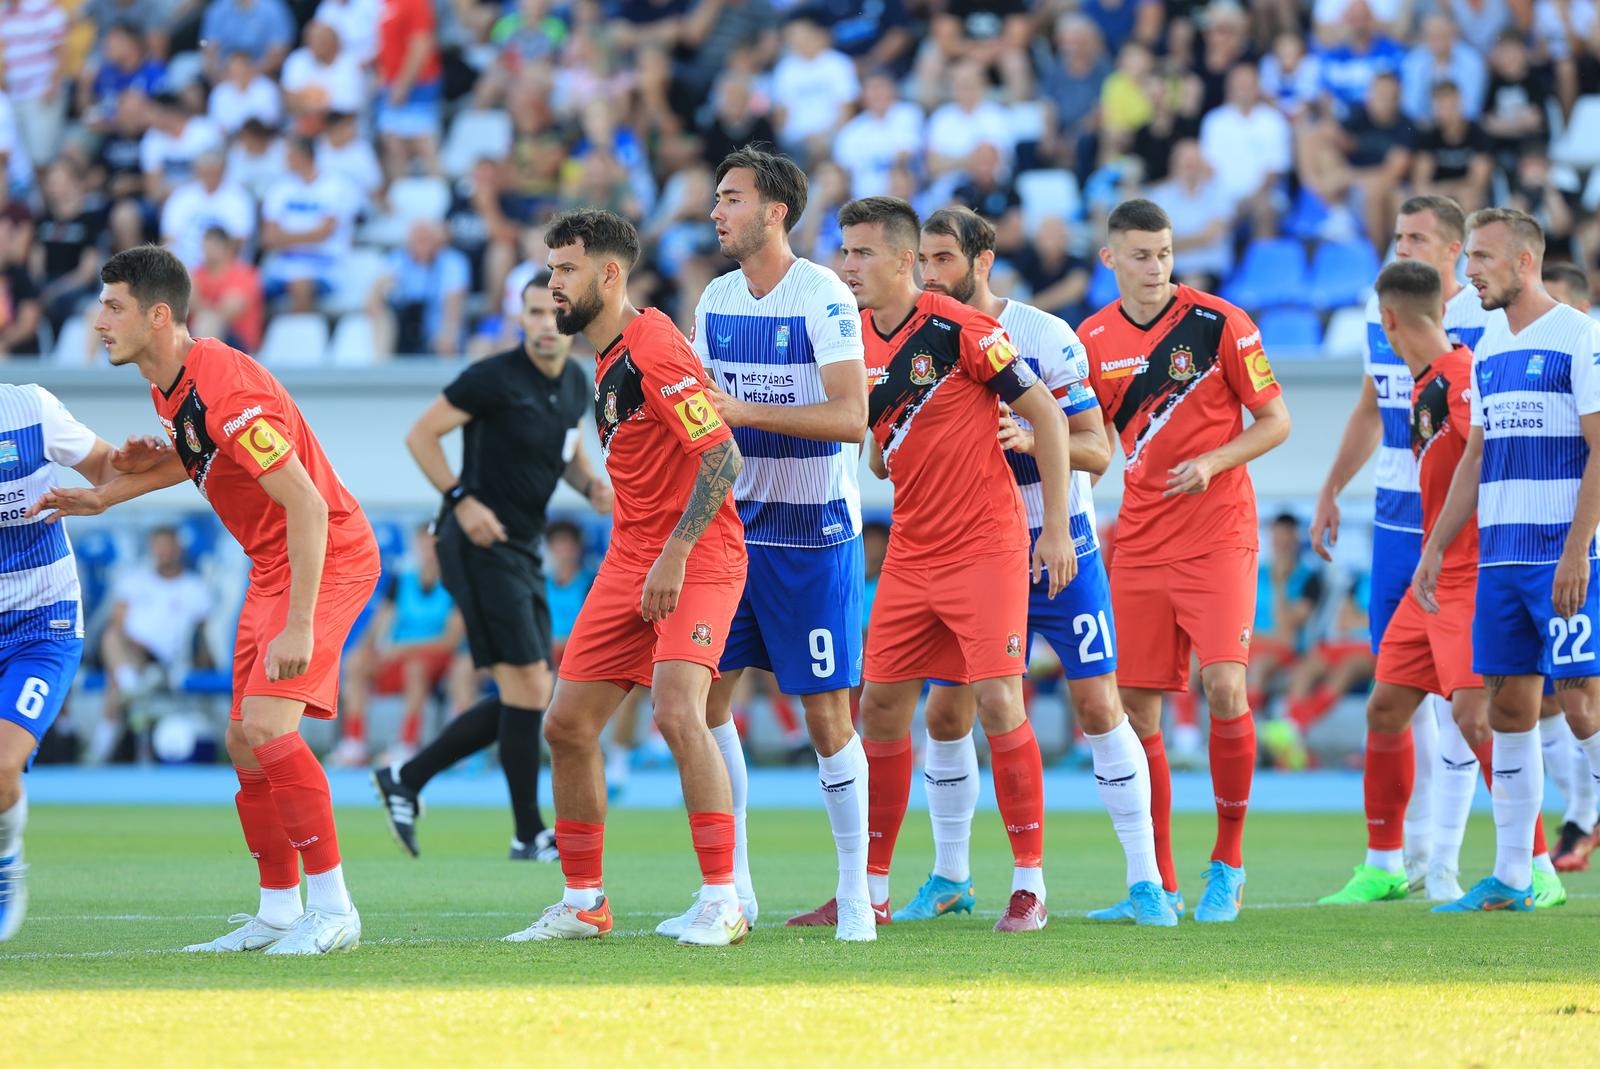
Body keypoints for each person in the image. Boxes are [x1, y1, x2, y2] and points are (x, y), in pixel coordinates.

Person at [32, 244, 382, 954]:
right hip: (269, 564)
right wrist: (103, 495)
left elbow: (310, 507)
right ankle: (280, 910)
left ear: (158, 316)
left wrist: (301, 624)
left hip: (325, 554)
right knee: (242, 741)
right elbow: (193, 453)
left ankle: (336, 908)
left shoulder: (225, 384)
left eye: (113, 306)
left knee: (270, 730)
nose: (99, 321)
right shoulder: (172, 384)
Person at [890, 205, 1171, 927]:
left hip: (1058, 544)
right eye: (923, 259)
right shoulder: (920, 335)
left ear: (984, 262)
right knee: (947, 710)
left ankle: (1145, 879)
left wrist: (1027, 439)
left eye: (944, 259)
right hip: (972, 554)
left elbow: (1097, 449)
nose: (931, 273)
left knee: (1099, 705)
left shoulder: (1044, 336)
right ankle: (952, 873)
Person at [502, 209, 749, 946]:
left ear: (610, 275)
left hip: (696, 553)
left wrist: (674, 552)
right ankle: (584, 902)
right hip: (630, 556)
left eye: (565, 270)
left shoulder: (652, 345)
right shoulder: (604, 358)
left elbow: (723, 457)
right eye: (549, 271)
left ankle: (722, 899)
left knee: (680, 713)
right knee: (566, 724)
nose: (551, 287)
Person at [838, 195, 1075, 933]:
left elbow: (1050, 417)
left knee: (1001, 703)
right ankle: (869, 886)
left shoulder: (962, 329)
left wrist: (1057, 528)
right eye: (844, 253)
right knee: (878, 707)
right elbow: (880, 455)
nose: (848, 267)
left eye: (861, 253)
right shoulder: (855, 340)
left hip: (984, 546)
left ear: (902, 260)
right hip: (911, 547)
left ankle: (1030, 885)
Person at [653, 147, 871, 942]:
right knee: (707, 704)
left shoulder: (825, 297)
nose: (716, 211)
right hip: (735, 536)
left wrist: (743, 410)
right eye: (717, 197)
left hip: (814, 536)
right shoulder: (712, 298)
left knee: (825, 720)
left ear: (775, 212)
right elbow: (708, 422)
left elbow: (853, 419)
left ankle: (855, 898)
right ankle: (730, 893)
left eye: (731, 198)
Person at [1081, 198, 1291, 923]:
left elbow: (1276, 420)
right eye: (1141, 254)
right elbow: (1097, 442)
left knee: (1225, 687)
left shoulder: (1221, 323)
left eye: (1165, 253)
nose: (1156, 267)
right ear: (1110, 259)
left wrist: (1213, 461)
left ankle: (1228, 864)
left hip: (1218, 533)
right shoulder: (1093, 338)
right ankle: (1158, 882)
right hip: (1139, 541)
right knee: (1135, 709)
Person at [372, 277, 609, 862]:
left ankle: (409, 776)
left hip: (522, 545)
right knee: (530, 685)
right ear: (520, 319)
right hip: (474, 543)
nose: (546, 324)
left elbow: (568, 455)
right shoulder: (492, 377)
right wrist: (461, 500)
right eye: (534, 312)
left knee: (526, 690)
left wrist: (593, 487)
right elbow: (420, 435)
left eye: (555, 312)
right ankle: (527, 832)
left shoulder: (578, 382)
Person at [1310, 195, 1490, 898]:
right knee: (1395, 694)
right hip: (1394, 520)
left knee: (1464, 701)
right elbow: (1370, 405)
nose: (1402, 245)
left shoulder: (1479, 321)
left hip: (1462, 528)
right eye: (1396, 235)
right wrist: (1330, 488)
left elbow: (1477, 447)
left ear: (1454, 251)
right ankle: (1390, 861)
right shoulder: (1376, 307)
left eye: (1416, 236)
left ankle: (1466, 857)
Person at [1419, 208, 1598, 912]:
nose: (1470, 273)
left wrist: (1578, 549)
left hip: (1562, 557)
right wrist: (1436, 544)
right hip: (1500, 562)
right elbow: (1477, 453)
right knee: (1510, 705)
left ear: (1525, 261)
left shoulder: (1579, 339)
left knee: (1582, 703)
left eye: (1483, 260)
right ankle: (1515, 876)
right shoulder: (1488, 345)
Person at [1, 385, 129, 942]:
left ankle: (6, 864)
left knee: (2, 766)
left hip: (41, 624)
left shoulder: (30, 409)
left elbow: (105, 467)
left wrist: (131, 459)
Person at [90, 525, 213, 765]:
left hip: (165, 660)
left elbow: (203, 635)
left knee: (115, 679)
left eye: (168, 546)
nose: (164, 552)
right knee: (112, 638)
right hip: (131, 653)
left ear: (179, 549)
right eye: (159, 546)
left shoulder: (194, 587)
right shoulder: (134, 580)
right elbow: (118, 620)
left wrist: (204, 664)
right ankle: (129, 684)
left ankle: (97, 754)